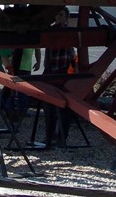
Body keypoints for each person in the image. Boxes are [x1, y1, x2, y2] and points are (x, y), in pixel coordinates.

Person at [42, 8, 76, 148]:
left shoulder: (61, 31)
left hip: (59, 72)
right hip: (55, 71)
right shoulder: (64, 31)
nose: (58, 17)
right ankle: (55, 138)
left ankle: (56, 138)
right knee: (55, 108)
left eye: (61, 15)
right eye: (57, 14)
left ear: (66, 18)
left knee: (58, 108)